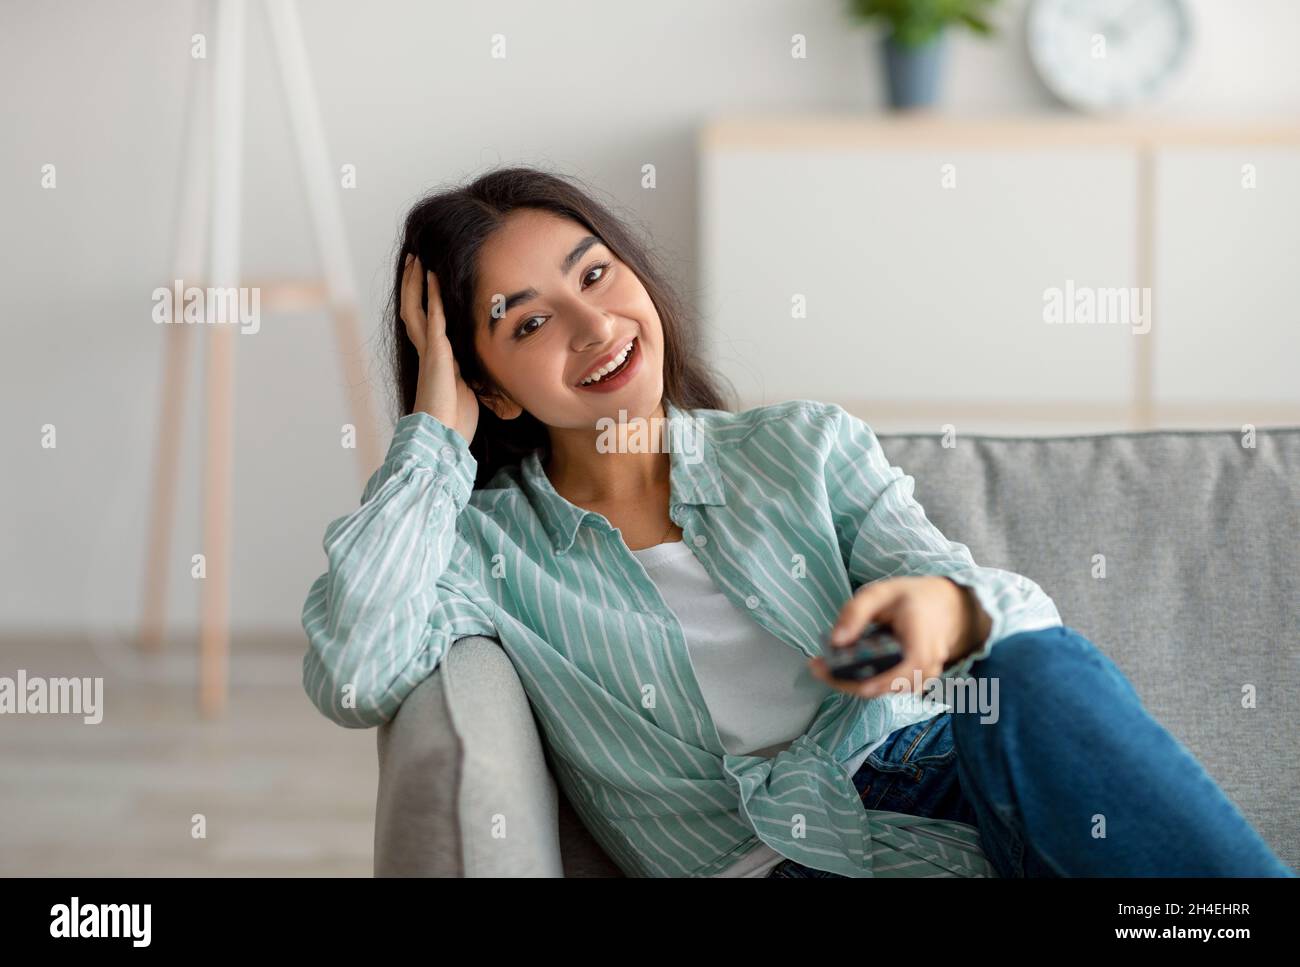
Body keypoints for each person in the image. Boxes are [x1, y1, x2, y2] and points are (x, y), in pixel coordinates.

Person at [301, 166, 1294, 878]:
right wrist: (434, 431)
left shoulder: (803, 449)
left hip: (949, 787)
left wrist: (936, 617)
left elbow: (1004, 616)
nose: (594, 326)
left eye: (595, 275)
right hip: (769, 858)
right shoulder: (483, 549)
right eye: (527, 321)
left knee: (1024, 660)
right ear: (491, 388)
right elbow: (354, 666)